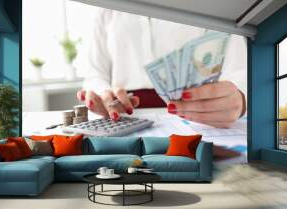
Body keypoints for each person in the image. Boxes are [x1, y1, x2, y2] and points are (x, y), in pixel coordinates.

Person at [76, 9, 247, 128]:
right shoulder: (106, 8)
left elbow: (240, 74)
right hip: (123, 119)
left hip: (201, 118)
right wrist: (103, 95)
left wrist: (239, 100)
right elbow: (95, 75)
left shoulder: (218, 5)